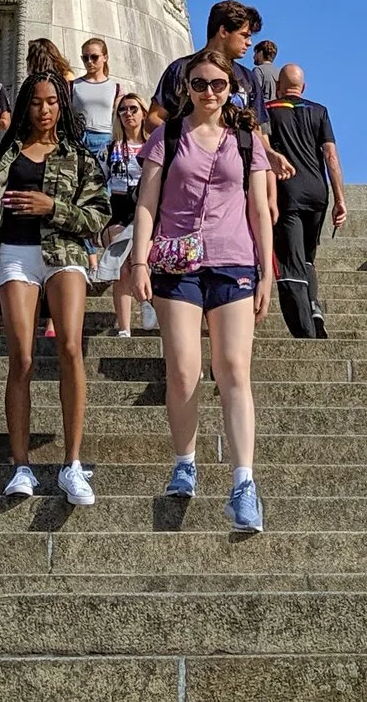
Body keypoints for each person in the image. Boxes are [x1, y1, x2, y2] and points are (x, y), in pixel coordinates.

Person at [125, 50, 276, 533]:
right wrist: (139, 258)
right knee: (184, 371)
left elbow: (258, 208)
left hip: (233, 261)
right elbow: (147, 202)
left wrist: (267, 270)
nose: (208, 92)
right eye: (199, 84)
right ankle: (185, 461)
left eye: (217, 84)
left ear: (231, 88)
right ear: (184, 88)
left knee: (234, 368)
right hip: (176, 263)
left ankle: (244, 483)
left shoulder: (248, 141)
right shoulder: (165, 136)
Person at [0, 70, 109, 506]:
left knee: (71, 349)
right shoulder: (4, 156)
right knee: (20, 356)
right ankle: (20, 465)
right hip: (15, 253)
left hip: (65, 255)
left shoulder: (79, 157)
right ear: (26, 105)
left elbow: (97, 216)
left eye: (52, 102)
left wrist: (52, 207)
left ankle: (73, 464)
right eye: (37, 102)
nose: (44, 110)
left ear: (63, 106)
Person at [150, 0, 293, 185]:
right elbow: (153, 118)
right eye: (244, 35)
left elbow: (257, 131)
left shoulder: (248, 79)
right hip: (184, 178)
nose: (249, 43)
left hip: (236, 177)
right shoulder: (181, 69)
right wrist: (185, 143)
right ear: (223, 31)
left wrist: (270, 168)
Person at [262, 65, 346, 340]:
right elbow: (331, 157)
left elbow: (264, 152)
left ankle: (305, 332)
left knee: (290, 261)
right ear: (304, 88)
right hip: (318, 194)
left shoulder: (268, 110)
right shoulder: (319, 110)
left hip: (288, 192)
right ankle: (314, 308)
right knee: (308, 258)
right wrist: (339, 199)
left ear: (277, 86)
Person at [103, 91, 152, 338]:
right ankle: (124, 327)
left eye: (133, 108)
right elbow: (101, 181)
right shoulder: (111, 147)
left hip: (144, 207)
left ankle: (145, 302)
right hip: (118, 207)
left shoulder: (153, 145)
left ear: (144, 113)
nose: (128, 114)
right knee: (120, 268)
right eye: (122, 110)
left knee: (138, 259)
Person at [69, 39, 131, 160]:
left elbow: (118, 119)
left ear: (105, 57)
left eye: (94, 57)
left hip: (105, 140)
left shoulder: (116, 88)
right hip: (79, 138)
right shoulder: (72, 86)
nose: (89, 62)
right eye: (85, 58)